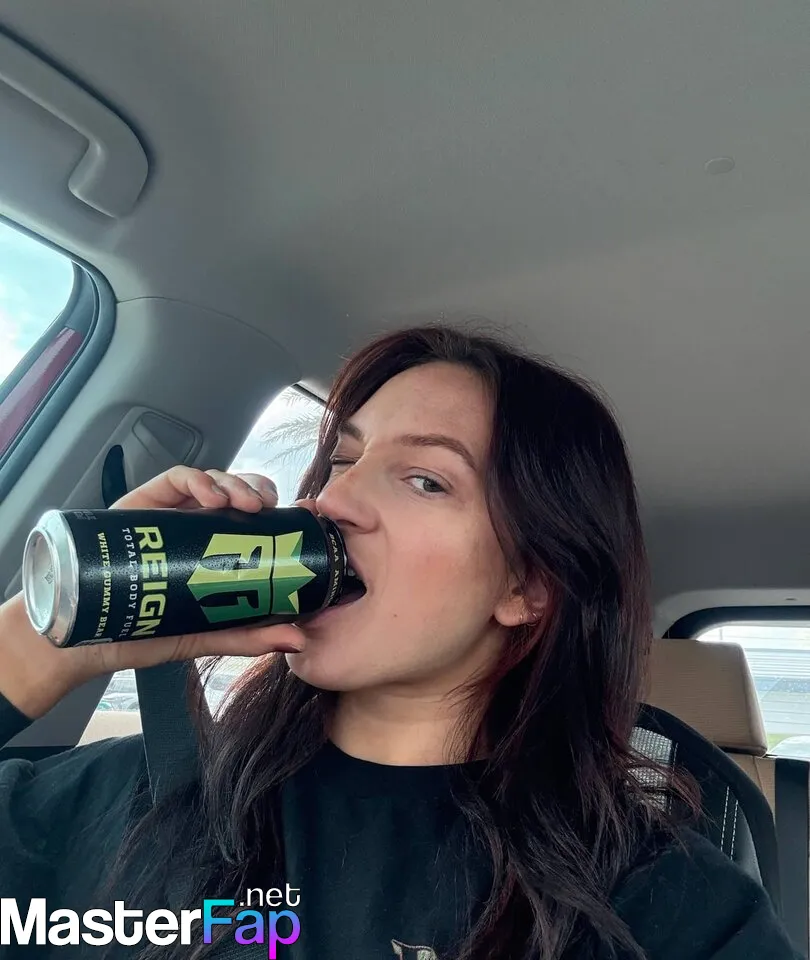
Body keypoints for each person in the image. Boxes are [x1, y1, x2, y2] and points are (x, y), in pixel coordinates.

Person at [0, 325, 799, 960]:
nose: (334, 499)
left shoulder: (657, 900)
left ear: (527, 587)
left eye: (427, 480)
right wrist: (48, 642)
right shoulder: (133, 797)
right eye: (342, 459)